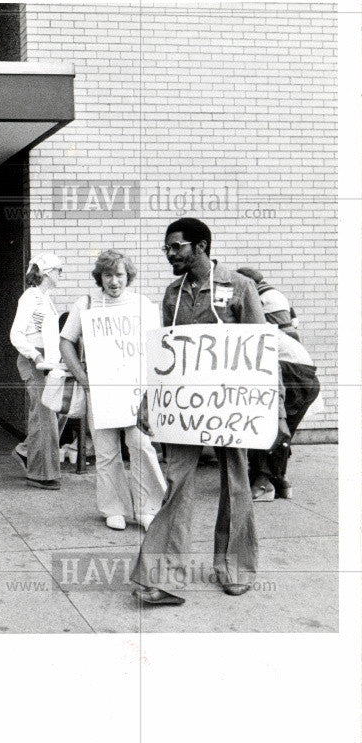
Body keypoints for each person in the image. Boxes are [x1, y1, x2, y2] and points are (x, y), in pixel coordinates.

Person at [131, 217, 288, 605]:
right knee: (177, 482)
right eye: (167, 247)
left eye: (176, 246)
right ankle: (164, 577)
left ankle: (235, 568)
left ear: (201, 246)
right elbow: (166, 354)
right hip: (186, 411)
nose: (170, 253)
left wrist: (278, 411)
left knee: (236, 483)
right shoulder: (173, 293)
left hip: (232, 410)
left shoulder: (239, 286)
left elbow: (263, 354)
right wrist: (150, 400)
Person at [59, 250, 167, 530]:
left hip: (135, 390)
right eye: (108, 275)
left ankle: (149, 507)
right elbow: (66, 342)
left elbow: (156, 346)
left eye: (119, 274)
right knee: (106, 452)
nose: (114, 281)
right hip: (101, 390)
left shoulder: (142, 304)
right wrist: (84, 379)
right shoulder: (86, 304)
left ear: (127, 275)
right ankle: (113, 508)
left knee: (141, 445)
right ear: (100, 278)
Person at [9, 252, 63, 489]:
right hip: (34, 361)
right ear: (48, 273)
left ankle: (26, 451)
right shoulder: (30, 297)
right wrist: (36, 355)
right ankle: (40, 475)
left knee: (54, 412)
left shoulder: (46, 298)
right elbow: (16, 334)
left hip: (47, 363)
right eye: (59, 270)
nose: (61, 275)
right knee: (43, 417)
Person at [248, 327, 320, 502]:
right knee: (282, 432)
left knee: (263, 426)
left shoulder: (249, 328)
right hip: (306, 376)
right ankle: (280, 481)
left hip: (291, 372)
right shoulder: (271, 329)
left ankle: (262, 482)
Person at [236, 267, 300, 339]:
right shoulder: (274, 292)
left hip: (279, 336)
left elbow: (248, 318)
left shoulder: (255, 293)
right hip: (291, 334)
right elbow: (294, 318)